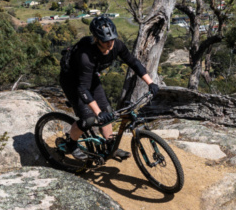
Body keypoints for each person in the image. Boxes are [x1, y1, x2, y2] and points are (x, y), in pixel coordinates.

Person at [57, 15, 159, 160]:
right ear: (96, 39)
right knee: (89, 119)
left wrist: (150, 83)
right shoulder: (86, 56)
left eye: (112, 39)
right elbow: (82, 89)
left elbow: (133, 62)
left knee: (108, 112)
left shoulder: (116, 45)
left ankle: (111, 146)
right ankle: (71, 144)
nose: (110, 44)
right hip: (73, 82)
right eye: (105, 41)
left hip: (90, 78)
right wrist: (97, 112)